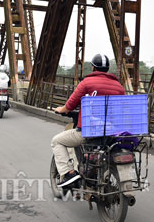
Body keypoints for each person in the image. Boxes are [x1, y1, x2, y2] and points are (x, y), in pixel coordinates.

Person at [51, 53, 125, 188]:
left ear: (92, 68)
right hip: (111, 134)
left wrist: (61, 109)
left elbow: (70, 105)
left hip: (90, 132)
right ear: (108, 69)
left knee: (57, 141)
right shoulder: (119, 87)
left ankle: (69, 173)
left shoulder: (87, 83)